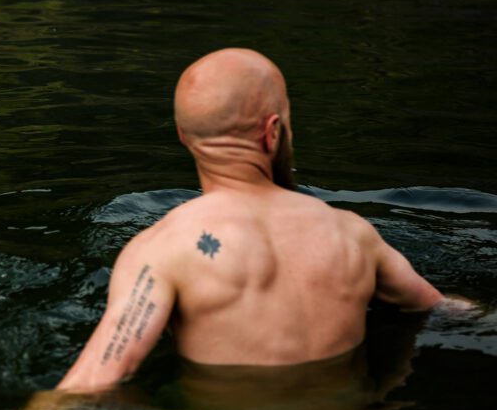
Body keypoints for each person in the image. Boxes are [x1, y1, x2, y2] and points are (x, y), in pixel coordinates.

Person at [57, 47, 449, 392]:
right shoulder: (352, 234)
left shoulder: (162, 250)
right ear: (273, 131)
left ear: (182, 135)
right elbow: (441, 309)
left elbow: (97, 380)